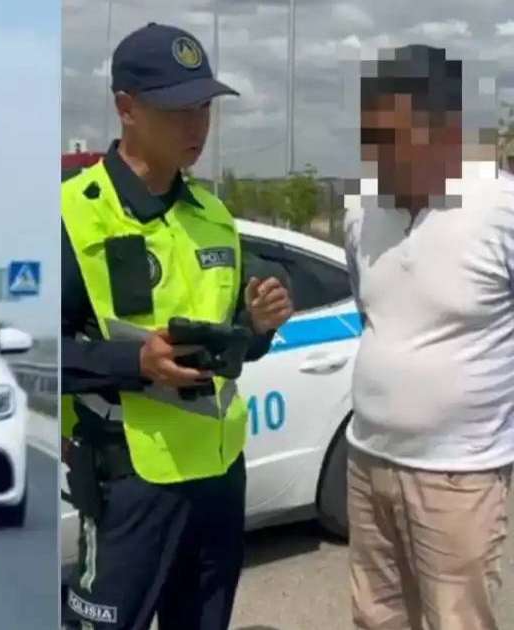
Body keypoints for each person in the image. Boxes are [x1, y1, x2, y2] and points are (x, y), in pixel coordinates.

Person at [60, 22, 294, 630]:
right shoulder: (69, 212)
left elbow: (229, 349)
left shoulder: (213, 215)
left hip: (217, 476)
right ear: (126, 108)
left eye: (204, 108)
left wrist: (257, 325)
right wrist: (132, 364)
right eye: (176, 110)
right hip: (128, 482)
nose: (197, 127)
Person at [343, 44, 514, 630]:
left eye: (391, 138)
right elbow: (375, 314)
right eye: (370, 138)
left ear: (448, 133)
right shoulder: (362, 213)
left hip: (458, 477)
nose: (376, 157)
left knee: (457, 620)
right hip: (367, 462)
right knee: (376, 617)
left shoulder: (502, 209)